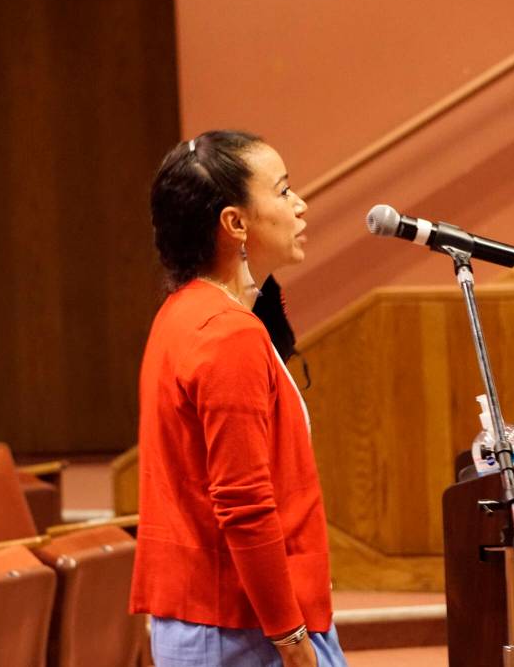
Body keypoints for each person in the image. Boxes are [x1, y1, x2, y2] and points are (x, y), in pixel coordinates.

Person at [130, 130, 346, 666]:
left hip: (222, 620)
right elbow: (244, 504)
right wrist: (290, 636)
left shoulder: (185, 312)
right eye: (283, 190)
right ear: (234, 223)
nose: (300, 205)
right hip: (240, 628)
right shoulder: (226, 334)